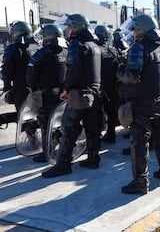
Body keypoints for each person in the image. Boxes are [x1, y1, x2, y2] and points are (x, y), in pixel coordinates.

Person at [116, 14, 160, 195]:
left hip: (141, 104)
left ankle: (140, 182)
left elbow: (133, 77)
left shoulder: (138, 47)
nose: (133, 32)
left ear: (142, 29)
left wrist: (119, 71)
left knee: (139, 143)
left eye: (135, 29)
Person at [42, 13, 102, 178]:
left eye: (69, 26)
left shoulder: (76, 43)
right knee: (91, 128)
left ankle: (63, 164)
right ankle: (93, 158)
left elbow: (73, 70)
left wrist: (66, 89)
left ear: (76, 27)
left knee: (69, 128)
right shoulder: (93, 45)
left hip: (79, 93)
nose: (67, 30)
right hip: (93, 93)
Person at [26, 24, 68, 163]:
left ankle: (47, 153)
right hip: (62, 94)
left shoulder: (42, 53)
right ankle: (62, 148)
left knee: (46, 124)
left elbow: (31, 75)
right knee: (61, 122)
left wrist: (33, 88)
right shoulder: (66, 51)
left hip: (46, 94)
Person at [2, 21, 40, 111]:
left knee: (23, 115)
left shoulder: (13, 48)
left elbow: (7, 71)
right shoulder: (38, 48)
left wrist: (7, 86)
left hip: (21, 88)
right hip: (39, 88)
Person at [94, 24, 120, 143]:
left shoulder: (95, 51)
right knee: (111, 112)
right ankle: (111, 134)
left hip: (99, 86)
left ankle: (97, 137)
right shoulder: (114, 51)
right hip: (112, 87)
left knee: (97, 114)